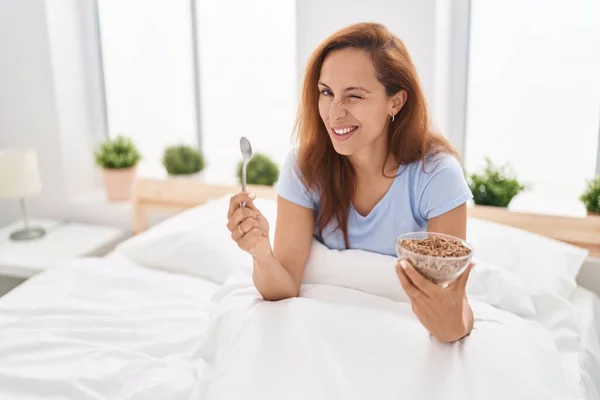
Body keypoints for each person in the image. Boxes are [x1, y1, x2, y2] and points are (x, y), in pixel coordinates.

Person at [226, 22, 475, 343]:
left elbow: (452, 303)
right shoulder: (304, 166)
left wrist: (454, 325)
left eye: (354, 96)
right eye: (326, 92)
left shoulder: (437, 175)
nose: (334, 112)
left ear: (395, 102)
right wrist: (261, 252)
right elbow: (284, 286)